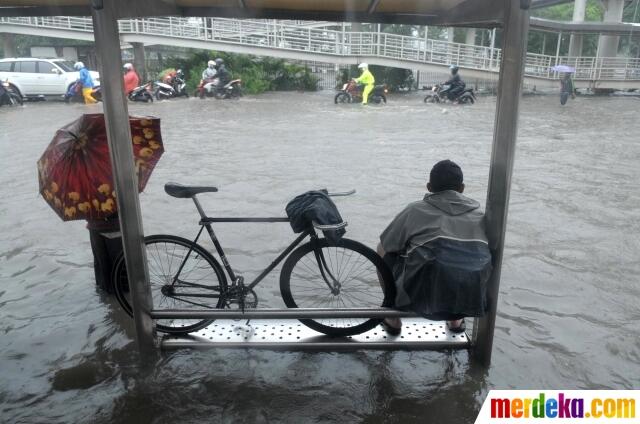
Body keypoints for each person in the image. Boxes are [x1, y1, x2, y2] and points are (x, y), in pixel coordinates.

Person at [377, 160, 492, 335]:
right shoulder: (480, 216)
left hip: (422, 303)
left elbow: (388, 243)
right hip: (471, 304)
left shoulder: (415, 210)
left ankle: (392, 316)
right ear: (462, 188)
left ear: (429, 187)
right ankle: (455, 321)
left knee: (383, 248)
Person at [87, 213, 122, 293]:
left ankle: (107, 298)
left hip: (95, 226)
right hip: (114, 226)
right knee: (118, 266)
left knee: (102, 265)